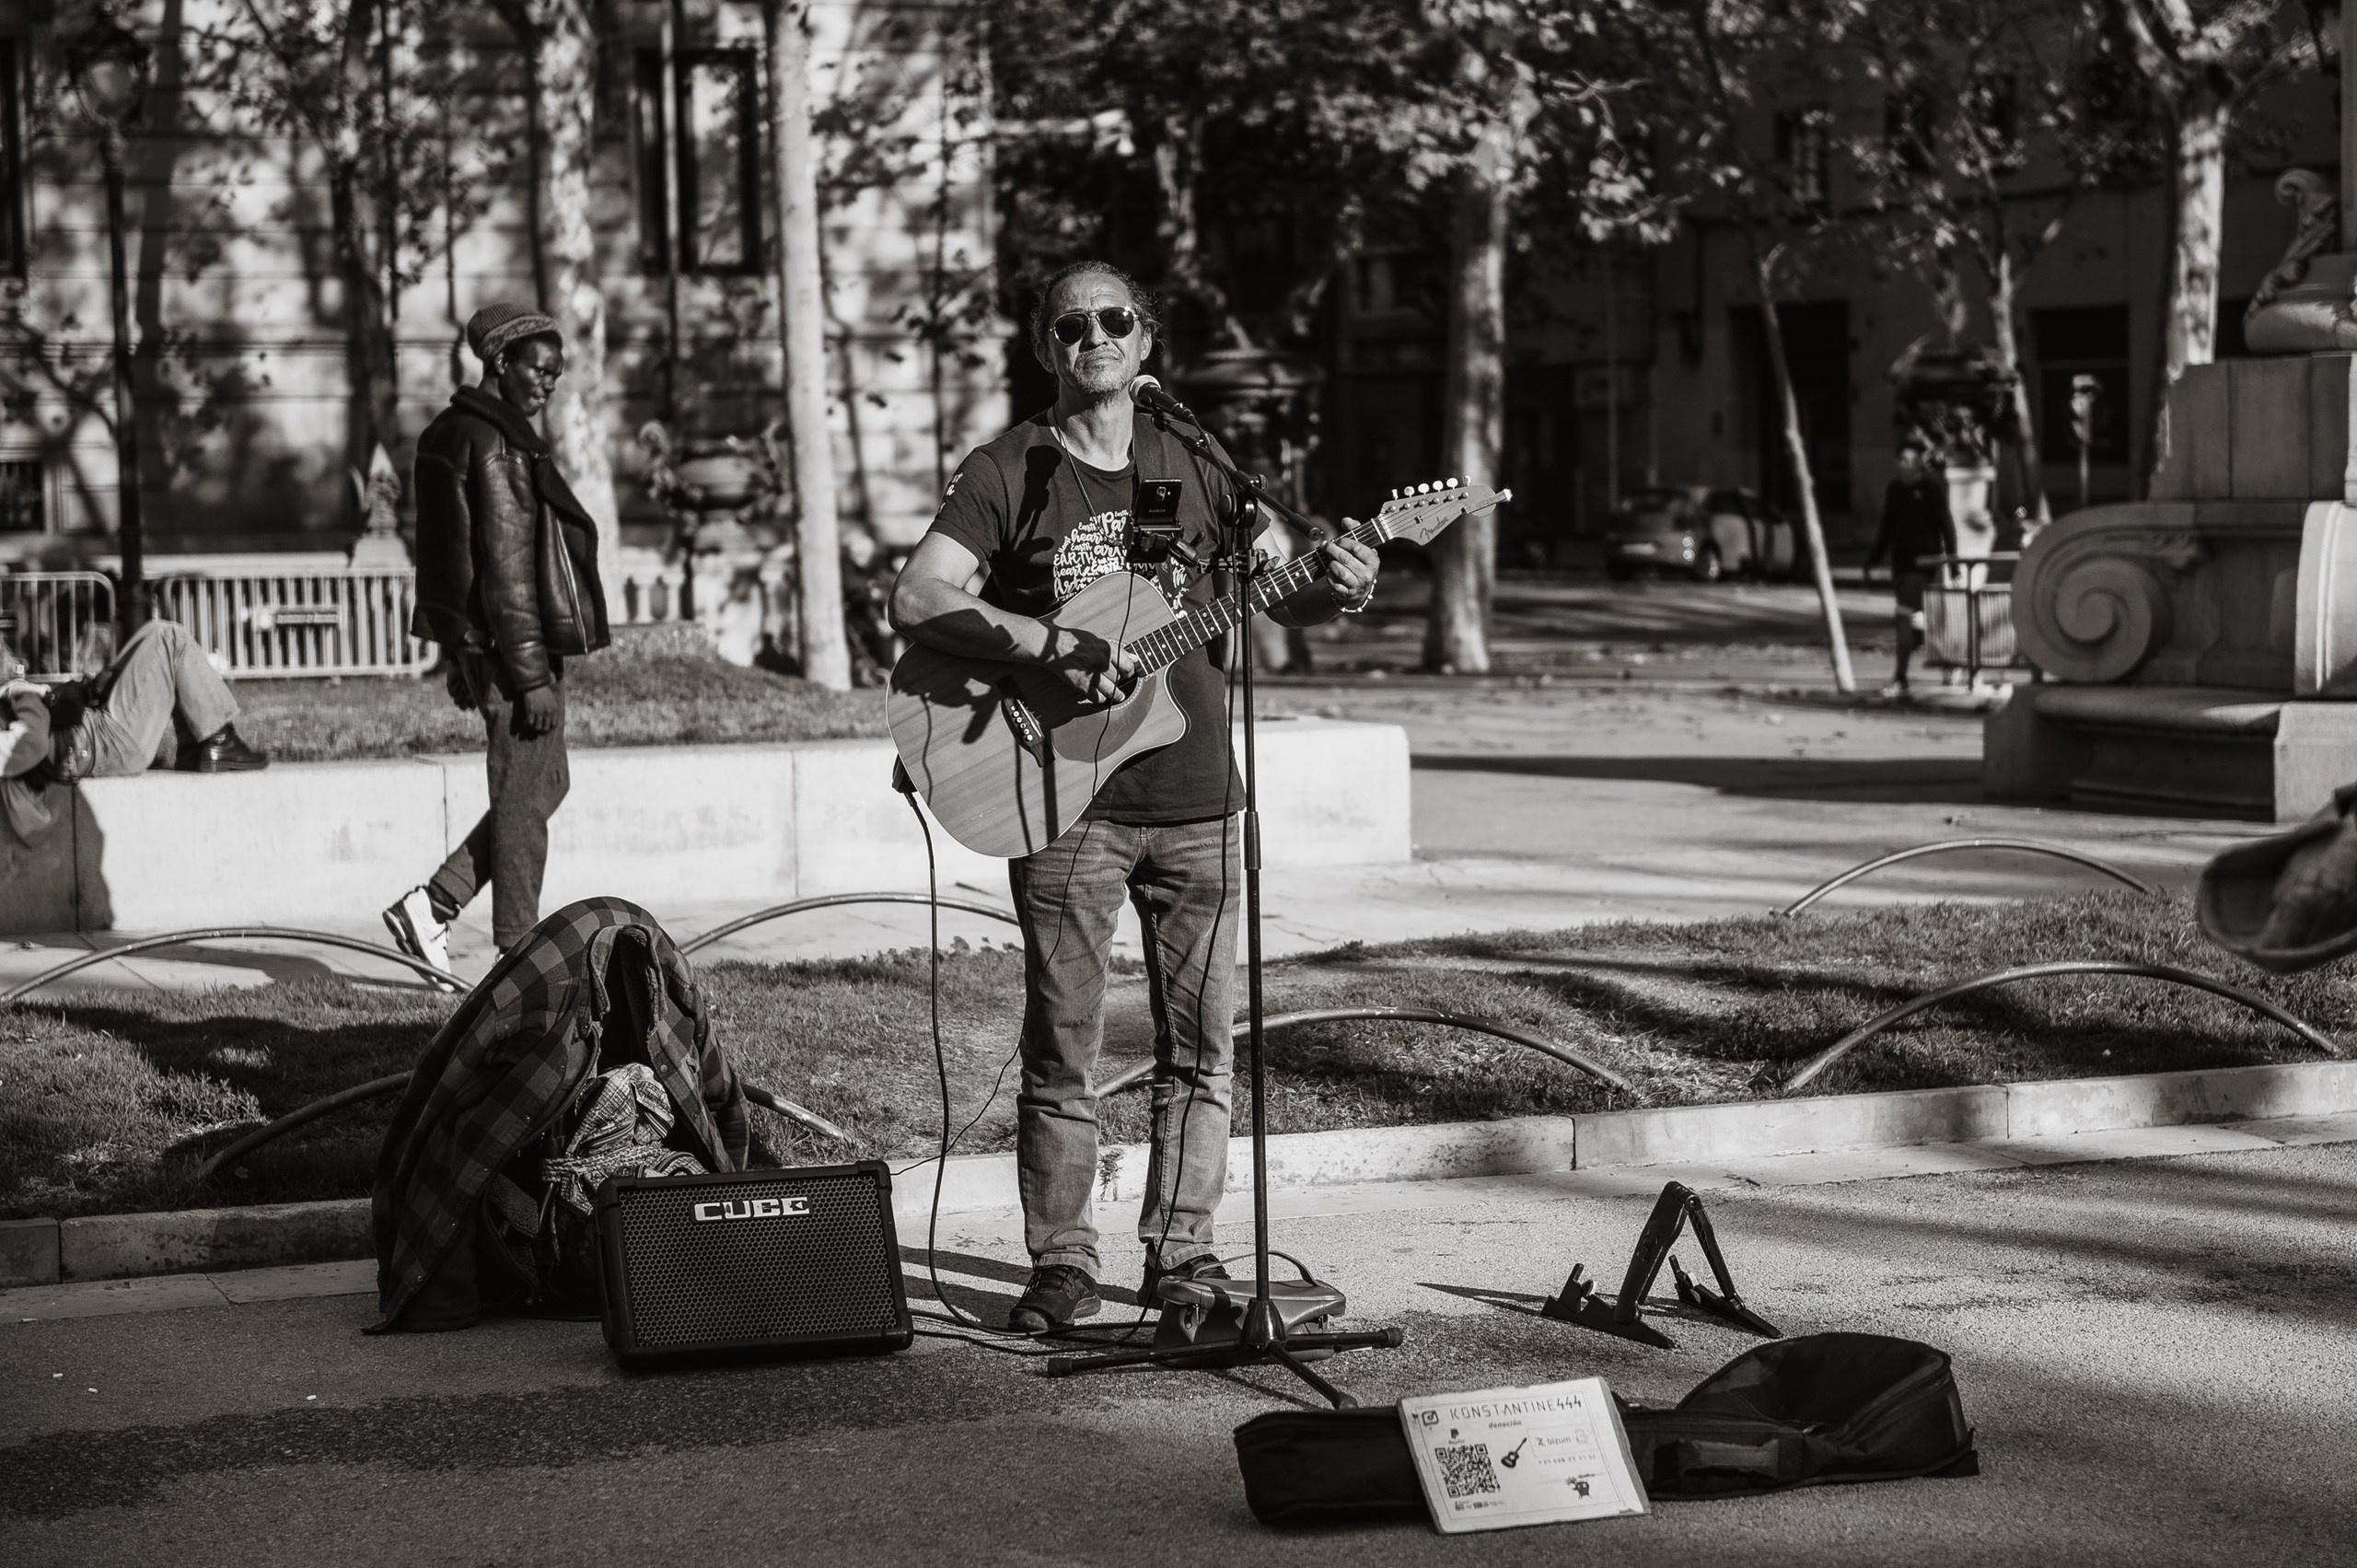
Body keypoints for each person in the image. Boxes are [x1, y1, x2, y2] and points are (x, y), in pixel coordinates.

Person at [888, 261, 1381, 1332]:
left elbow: (1277, 594)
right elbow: (917, 592)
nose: (1094, 338)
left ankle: (1184, 1261)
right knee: (1062, 1046)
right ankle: (1061, 1263)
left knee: (1200, 1049)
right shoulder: (1010, 466)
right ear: (1044, 346)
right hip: (1063, 798)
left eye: (1114, 321)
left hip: (1199, 794)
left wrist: (1334, 584)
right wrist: (1051, 642)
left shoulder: (1191, 459)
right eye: (1072, 326)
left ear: (1146, 340)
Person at [381, 303, 610, 976]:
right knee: (523, 795)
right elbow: (507, 571)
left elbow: (450, 562)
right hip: (516, 651)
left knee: (546, 782)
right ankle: (516, 948)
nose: (548, 384)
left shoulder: (447, 433)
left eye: (557, 374)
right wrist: (532, 675)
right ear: (500, 363)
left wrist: (459, 654)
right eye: (539, 369)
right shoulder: (500, 443)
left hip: (487, 647)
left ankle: (434, 903)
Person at [2, 618, 269, 847]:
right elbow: (30, 743)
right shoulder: (15, 699)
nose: (10, 656)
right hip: (106, 744)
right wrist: (23, 693)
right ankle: (218, 738)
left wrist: (80, 693)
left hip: (97, 733)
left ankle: (196, 747)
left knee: (154, 629)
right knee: (170, 638)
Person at [1864, 434, 1957, 697]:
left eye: (1912, 460)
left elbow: (1946, 526)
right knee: (1918, 623)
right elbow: (1886, 527)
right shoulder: (1895, 490)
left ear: (1919, 464)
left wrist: (1953, 561)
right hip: (1901, 566)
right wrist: (1873, 559)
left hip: (1924, 565)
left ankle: (1901, 677)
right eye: (1902, 460)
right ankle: (1951, 664)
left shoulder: (1931, 491)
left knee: (1904, 616)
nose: (1906, 464)